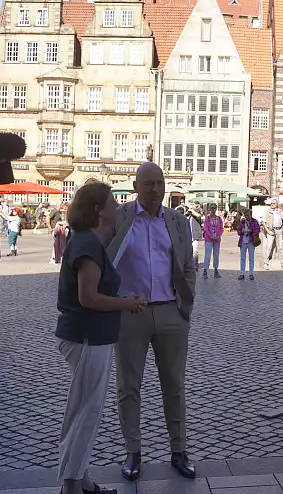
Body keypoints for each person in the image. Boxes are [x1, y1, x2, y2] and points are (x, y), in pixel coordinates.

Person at [105, 163, 196, 481]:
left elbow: (188, 263)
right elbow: (104, 258)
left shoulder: (177, 220)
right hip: (131, 312)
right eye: (148, 184)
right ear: (136, 185)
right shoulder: (120, 217)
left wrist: (186, 306)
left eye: (159, 183)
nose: (155, 189)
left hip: (171, 310)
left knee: (174, 384)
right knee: (128, 386)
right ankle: (133, 452)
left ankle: (179, 450)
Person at [55, 183, 147, 494]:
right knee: (87, 410)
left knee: (83, 408)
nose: (116, 205)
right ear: (98, 210)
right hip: (87, 335)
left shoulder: (88, 241)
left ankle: (79, 480)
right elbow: (88, 297)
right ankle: (72, 485)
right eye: (111, 201)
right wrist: (127, 303)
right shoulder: (87, 245)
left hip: (91, 334)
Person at [262, 198, 283, 270]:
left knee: (280, 247)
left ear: (277, 204)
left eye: (273, 203)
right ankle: (265, 262)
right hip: (271, 230)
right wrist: (267, 230)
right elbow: (263, 222)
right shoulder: (268, 211)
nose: (272, 205)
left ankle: (282, 263)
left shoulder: (279, 211)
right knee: (269, 246)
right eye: (271, 203)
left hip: (279, 230)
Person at [236, 208, 261, 280]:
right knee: (242, 258)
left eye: (248, 215)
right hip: (243, 241)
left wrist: (251, 231)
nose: (247, 217)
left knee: (251, 258)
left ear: (251, 215)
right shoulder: (242, 222)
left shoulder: (254, 221)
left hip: (251, 241)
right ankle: (242, 273)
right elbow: (238, 231)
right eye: (245, 215)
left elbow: (257, 230)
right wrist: (242, 231)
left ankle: (251, 273)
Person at [202, 204, 222, 279]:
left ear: (216, 209)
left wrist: (217, 236)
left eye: (214, 208)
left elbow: (221, 228)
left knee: (216, 255)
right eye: (212, 208)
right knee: (207, 255)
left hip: (217, 239)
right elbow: (206, 228)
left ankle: (216, 270)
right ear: (209, 209)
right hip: (209, 239)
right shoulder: (207, 218)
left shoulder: (219, 218)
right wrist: (211, 236)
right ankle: (205, 271)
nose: (213, 210)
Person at [187, 205, 203, 270]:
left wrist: (192, 210)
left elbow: (199, 216)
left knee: (195, 251)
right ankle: (189, 265)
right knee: (188, 252)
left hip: (195, 235)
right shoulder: (188, 216)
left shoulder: (196, 216)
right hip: (188, 236)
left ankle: (195, 265)